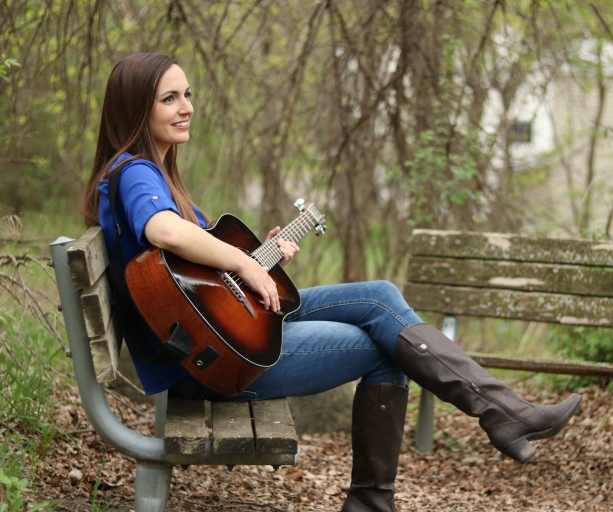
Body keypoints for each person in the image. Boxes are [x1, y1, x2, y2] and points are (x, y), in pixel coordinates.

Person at [81, 53, 582, 512]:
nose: (186, 107)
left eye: (187, 94)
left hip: (212, 336)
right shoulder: (136, 173)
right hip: (211, 362)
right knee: (388, 348)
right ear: (136, 109)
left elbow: (190, 279)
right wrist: (247, 265)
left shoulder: (149, 172)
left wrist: (260, 257)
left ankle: (501, 412)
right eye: (169, 98)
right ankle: (404, 480)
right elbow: (164, 231)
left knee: (380, 296)